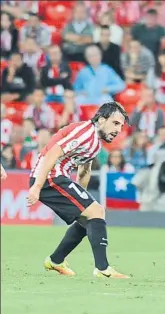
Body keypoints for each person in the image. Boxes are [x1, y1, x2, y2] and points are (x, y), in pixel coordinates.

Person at [27, 102, 130, 279]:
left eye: (121, 125)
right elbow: (53, 153)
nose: (119, 129)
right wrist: (36, 186)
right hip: (49, 177)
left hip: (56, 177)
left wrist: (83, 200)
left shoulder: (96, 143)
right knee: (97, 211)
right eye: (115, 123)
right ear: (101, 119)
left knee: (88, 216)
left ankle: (56, 260)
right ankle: (103, 269)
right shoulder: (84, 132)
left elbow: (84, 170)